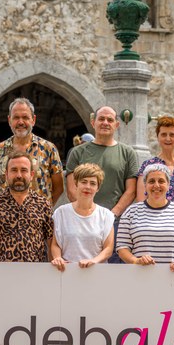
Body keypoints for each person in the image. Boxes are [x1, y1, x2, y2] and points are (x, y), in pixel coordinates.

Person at [65, 106, 139, 263]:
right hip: (81, 220)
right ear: (93, 122)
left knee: (112, 268)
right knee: (81, 264)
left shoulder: (128, 153)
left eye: (110, 120)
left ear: (116, 125)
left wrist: (111, 215)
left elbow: (131, 190)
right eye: (101, 119)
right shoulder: (77, 152)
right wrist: (86, 214)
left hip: (114, 222)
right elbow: (71, 189)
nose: (105, 122)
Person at [0, 151, 54, 263]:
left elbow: (52, 240)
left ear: (31, 175)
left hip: (35, 271)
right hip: (2, 270)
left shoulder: (43, 204)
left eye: (24, 170)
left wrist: (53, 264)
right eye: (14, 170)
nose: (19, 175)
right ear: (6, 174)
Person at [116, 164, 174, 271]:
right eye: (151, 181)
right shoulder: (130, 212)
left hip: (173, 277)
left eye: (161, 181)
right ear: (145, 185)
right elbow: (122, 248)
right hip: (140, 276)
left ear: (168, 185)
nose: (156, 185)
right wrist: (136, 261)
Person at [0, 97, 64, 204]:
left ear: (33, 120)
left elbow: (59, 187)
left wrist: (45, 208)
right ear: (9, 120)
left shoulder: (48, 149)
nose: (20, 122)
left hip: (39, 213)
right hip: (7, 213)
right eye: (16, 117)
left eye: (25, 117)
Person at [50, 163, 115, 271]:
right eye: (84, 182)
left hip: (97, 272)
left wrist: (93, 261)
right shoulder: (61, 213)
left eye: (93, 183)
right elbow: (55, 244)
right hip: (67, 271)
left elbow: (108, 249)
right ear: (76, 183)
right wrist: (58, 258)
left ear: (97, 188)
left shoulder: (106, 215)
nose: (87, 187)